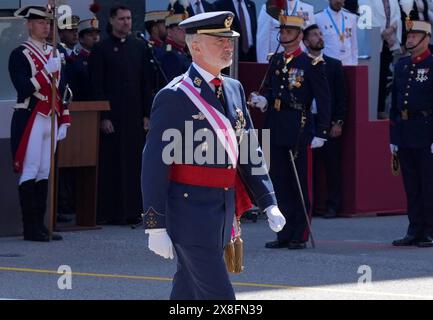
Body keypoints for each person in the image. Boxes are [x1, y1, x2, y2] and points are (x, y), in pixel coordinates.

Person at [141, 11, 286, 300]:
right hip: (188, 214)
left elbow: (248, 147)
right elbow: (154, 163)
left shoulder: (233, 88)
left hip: (222, 208)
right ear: (195, 47)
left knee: (188, 292)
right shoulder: (174, 96)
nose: (228, 45)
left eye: (230, 39)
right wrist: (154, 224)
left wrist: (268, 200)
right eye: (219, 40)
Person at [250, 15, 331, 249]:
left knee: (299, 182)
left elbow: (324, 100)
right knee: (279, 180)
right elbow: (270, 90)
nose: (283, 35)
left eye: (288, 31)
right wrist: (262, 99)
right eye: (282, 31)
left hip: (299, 125)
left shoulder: (311, 63)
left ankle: (300, 233)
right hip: (275, 122)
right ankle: (283, 232)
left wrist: (322, 131)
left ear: (299, 35)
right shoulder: (275, 61)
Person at [9, 5, 71, 241]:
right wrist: (46, 71)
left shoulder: (54, 52)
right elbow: (23, 88)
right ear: (29, 24)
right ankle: (30, 226)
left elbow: (62, 90)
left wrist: (65, 118)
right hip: (32, 116)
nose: (46, 27)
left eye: (48, 23)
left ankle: (43, 225)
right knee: (31, 168)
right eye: (40, 22)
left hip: (51, 117)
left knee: (45, 170)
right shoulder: (20, 54)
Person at [89, 5, 152, 225]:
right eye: (122, 19)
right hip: (112, 117)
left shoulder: (139, 47)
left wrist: (147, 114)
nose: (126, 22)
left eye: (128, 18)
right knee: (113, 162)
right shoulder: (102, 49)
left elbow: (146, 83)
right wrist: (104, 115)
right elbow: (97, 84)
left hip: (134, 115)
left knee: (134, 162)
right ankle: (111, 212)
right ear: (112, 21)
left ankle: (133, 210)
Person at [390, 20, 433, 248]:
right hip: (405, 130)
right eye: (408, 35)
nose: (410, 38)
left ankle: (430, 230)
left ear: (426, 39)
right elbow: (395, 104)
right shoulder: (402, 65)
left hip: (426, 130)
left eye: (415, 35)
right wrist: (393, 137)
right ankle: (414, 228)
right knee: (411, 184)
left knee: (429, 183)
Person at [303, 24, 347, 219]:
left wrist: (338, 122)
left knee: (331, 166)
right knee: (306, 166)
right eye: (314, 35)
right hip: (306, 121)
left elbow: (341, 97)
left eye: (320, 34)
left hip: (327, 121)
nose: (319, 37)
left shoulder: (334, 65)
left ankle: (332, 205)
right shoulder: (300, 64)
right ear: (305, 41)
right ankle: (308, 206)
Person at [360, 0, 402, 119]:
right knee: (372, 76)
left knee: (383, 75)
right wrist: (382, 32)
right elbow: (367, 15)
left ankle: (380, 108)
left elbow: (397, 15)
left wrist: (391, 30)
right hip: (373, 39)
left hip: (389, 41)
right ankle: (369, 109)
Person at [66, 16, 101, 102]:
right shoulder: (74, 61)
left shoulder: (103, 58)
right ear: (81, 39)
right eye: (90, 35)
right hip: (83, 106)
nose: (95, 37)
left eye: (97, 34)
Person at [315, 0, 358, 66]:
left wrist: (355, 64)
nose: (338, 1)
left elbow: (354, 45)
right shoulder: (318, 18)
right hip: (328, 65)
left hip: (348, 64)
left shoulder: (351, 17)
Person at [159, 13, 192, 82]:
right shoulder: (170, 55)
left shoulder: (182, 51)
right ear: (169, 32)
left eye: (186, 29)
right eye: (180, 29)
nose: (185, 32)